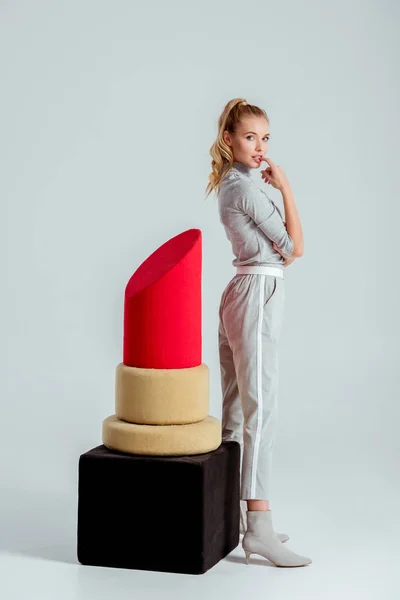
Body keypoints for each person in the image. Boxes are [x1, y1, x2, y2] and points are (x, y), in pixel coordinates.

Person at [205, 98, 312, 567]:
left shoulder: (236, 184)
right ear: (228, 138)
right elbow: (295, 248)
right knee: (259, 409)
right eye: (250, 137)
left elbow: (286, 248)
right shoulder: (246, 188)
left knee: (234, 409)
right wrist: (286, 187)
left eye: (265, 138)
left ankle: (228, 515)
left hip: (241, 289)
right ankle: (259, 526)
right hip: (258, 289)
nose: (260, 147)